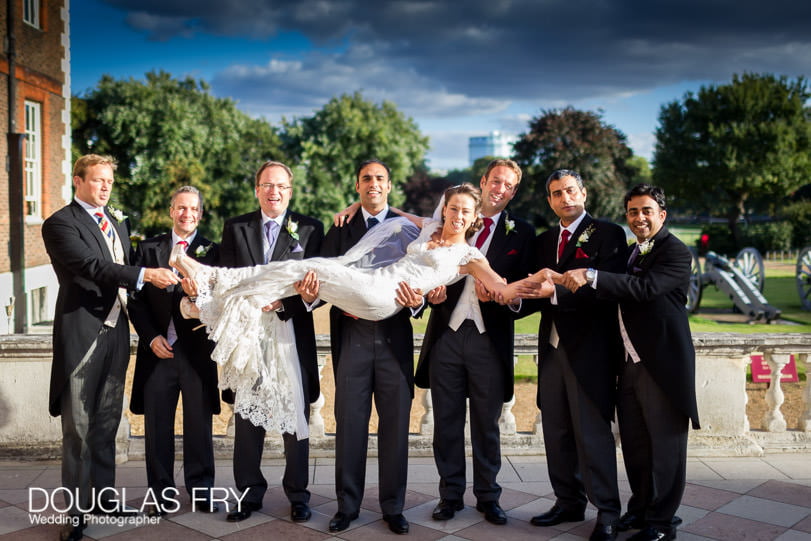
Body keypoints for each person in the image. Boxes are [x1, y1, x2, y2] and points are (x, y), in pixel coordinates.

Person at [171, 179, 548, 535]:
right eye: (453, 208)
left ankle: (393, 508)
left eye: (466, 211)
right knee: (301, 272)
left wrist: (542, 281)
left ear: (474, 217)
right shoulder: (429, 228)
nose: (458, 216)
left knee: (311, 267)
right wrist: (357, 203)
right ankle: (214, 289)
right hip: (358, 322)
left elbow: (501, 286)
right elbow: (393, 210)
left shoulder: (469, 254)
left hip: (382, 303)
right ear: (445, 209)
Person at [41, 154, 179, 541]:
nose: (105, 187)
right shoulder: (60, 224)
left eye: (109, 182)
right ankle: (75, 515)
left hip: (118, 336)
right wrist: (145, 274)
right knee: (79, 430)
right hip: (83, 334)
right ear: (78, 181)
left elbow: (121, 281)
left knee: (105, 424)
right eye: (98, 180)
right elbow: (91, 267)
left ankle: (103, 498)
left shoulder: (117, 223)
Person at [559, 184, 700, 541]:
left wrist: (590, 275)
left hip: (661, 366)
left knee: (666, 450)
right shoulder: (632, 253)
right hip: (629, 364)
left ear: (661, 215)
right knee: (637, 448)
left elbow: (644, 290)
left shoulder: (676, 252)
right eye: (633, 212)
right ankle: (639, 511)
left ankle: (663, 524)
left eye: (647, 211)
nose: (639, 218)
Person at [415, 160, 533, 525]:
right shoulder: (446, 225)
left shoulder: (521, 233)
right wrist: (427, 296)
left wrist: (507, 299)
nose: (500, 188)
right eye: (495, 181)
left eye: (508, 185)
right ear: (483, 183)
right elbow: (418, 266)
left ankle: (488, 497)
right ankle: (449, 496)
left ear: (513, 192)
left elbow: (525, 293)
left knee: (487, 424)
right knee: (446, 422)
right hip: (446, 336)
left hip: (489, 339)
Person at [521, 169, 627, 541]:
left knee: (592, 435)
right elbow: (533, 289)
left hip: (590, 351)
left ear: (583, 192)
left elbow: (608, 289)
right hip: (551, 349)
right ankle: (568, 501)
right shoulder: (545, 239)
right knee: (558, 430)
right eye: (556, 193)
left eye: (570, 191)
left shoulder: (609, 234)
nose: (565, 198)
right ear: (549, 201)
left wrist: (555, 290)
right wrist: (512, 297)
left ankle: (608, 513)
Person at [219, 161, 324, 524]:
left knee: (295, 417)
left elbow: (321, 288)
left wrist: (284, 302)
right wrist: (249, 301)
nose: (273, 192)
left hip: (290, 332)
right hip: (249, 333)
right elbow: (228, 280)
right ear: (257, 189)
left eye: (280, 186)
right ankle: (248, 496)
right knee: (248, 417)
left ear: (289, 191)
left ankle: (298, 495)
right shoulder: (236, 228)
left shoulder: (310, 229)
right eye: (266, 185)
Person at [129, 186, 221, 516]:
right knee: (157, 428)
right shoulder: (149, 247)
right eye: (181, 208)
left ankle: (202, 490)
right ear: (171, 211)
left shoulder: (213, 251)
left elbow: (219, 303)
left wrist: (196, 298)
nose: (187, 214)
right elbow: (135, 299)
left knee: (199, 426)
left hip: (196, 354)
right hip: (157, 353)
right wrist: (150, 336)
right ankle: (161, 494)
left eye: (193, 209)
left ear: (200, 214)